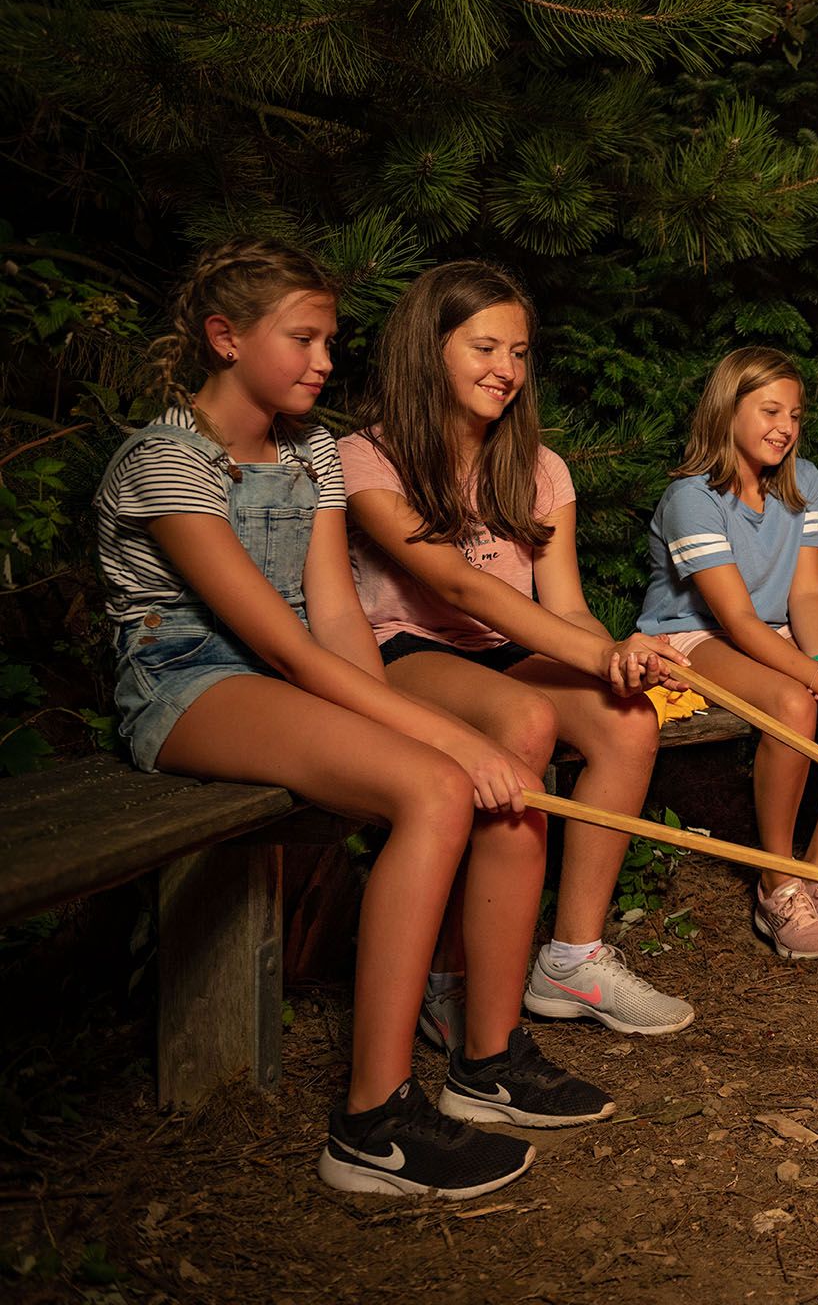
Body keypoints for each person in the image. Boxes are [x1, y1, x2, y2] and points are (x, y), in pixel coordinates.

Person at [95, 239, 603, 1200]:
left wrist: (428, 730)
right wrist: (439, 736)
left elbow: (334, 620)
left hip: (300, 676)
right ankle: (372, 1122)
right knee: (440, 782)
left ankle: (486, 1058)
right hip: (189, 683)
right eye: (303, 339)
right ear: (225, 338)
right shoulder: (166, 463)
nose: (325, 361)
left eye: (330, 340)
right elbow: (281, 647)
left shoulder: (311, 455)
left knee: (494, 779)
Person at [340, 261, 695, 1045]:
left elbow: (562, 608)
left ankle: (571, 958)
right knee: (525, 717)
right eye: (485, 348)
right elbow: (457, 586)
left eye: (520, 353)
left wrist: (619, 657)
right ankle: (446, 970)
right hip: (405, 650)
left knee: (629, 721)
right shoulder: (366, 457)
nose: (507, 368)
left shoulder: (540, 468)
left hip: (505, 647)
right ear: (427, 348)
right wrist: (596, 656)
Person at [637, 347, 818, 959]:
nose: (785, 427)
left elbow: (807, 593)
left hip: (775, 629)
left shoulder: (801, 480)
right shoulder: (691, 498)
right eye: (769, 411)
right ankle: (777, 881)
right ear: (727, 410)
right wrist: (817, 683)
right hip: (695, 634)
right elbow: (734, 618)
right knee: (793, 705)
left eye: (794, 415)